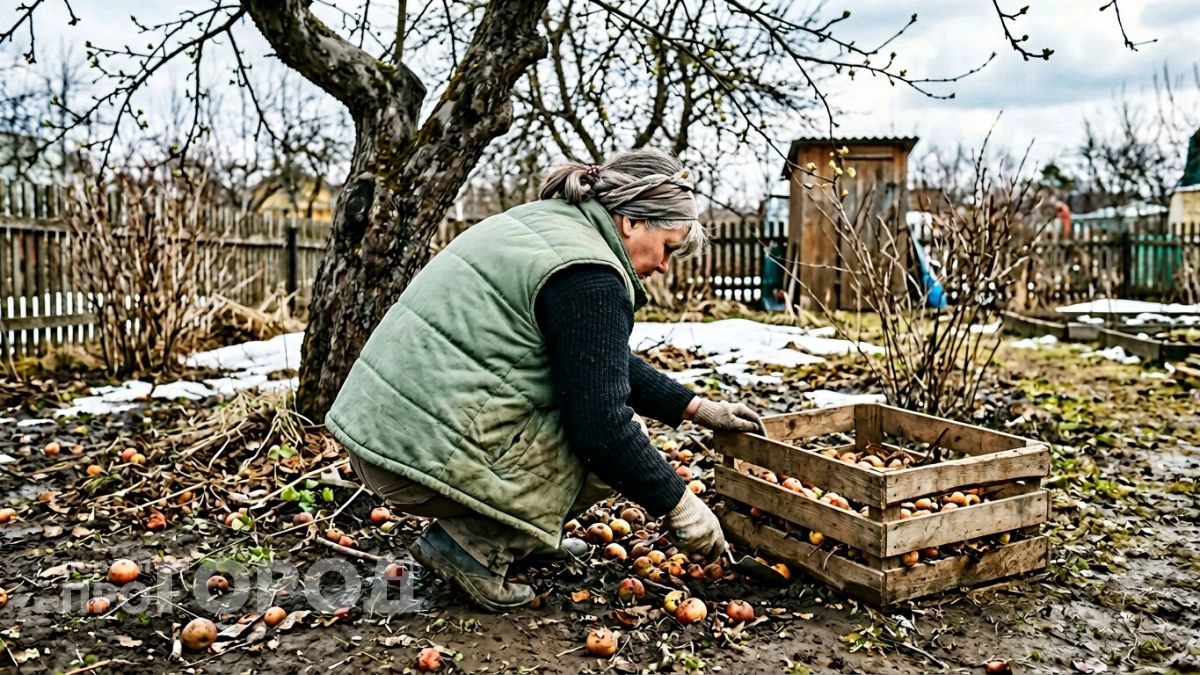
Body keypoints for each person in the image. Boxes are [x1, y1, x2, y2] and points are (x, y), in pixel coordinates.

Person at [325, 148, 764, 612]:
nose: (663, 266)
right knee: (602, 448)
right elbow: (601, 425)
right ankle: (476, 546)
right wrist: (681, 505)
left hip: (381, 432)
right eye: (668, 248)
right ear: (632, 221)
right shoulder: (591, 276)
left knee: (590, 405)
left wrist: (696, 408)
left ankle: (517, 534)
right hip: (412, 458)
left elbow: (591, 358)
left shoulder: (547, 226)